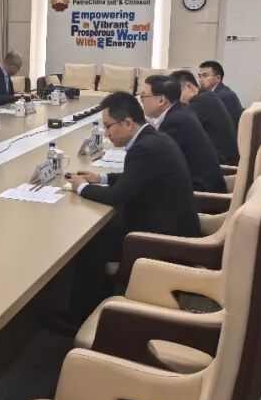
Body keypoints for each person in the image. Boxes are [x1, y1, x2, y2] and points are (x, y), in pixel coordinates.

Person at [58, 92, 201, 325]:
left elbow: (117, 197)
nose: (106, 133)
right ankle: (96, 305)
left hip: (163, 238)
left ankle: (79, 320)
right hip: (172, 225)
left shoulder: (144, 148)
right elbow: (136, 178)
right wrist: (101, 178)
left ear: (127, 123)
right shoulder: (153, 138)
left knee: (92, 247)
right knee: (102, 238)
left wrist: (81, 188)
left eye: (108, 126)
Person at [140, 75, 227, 194]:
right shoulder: (181, 111)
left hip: (200, 194)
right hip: (203, 183)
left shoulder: (174, 123)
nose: (142, 102)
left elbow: (156, 163)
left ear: (161, 100)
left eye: (143, 97)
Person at [170, 70, 240, 165]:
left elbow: (180, 126)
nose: (175, 98)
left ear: (189, 87)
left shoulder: (200, 101)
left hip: (221, 163)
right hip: (224, 157)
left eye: (176, 93)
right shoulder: (207, 95)